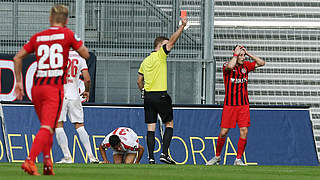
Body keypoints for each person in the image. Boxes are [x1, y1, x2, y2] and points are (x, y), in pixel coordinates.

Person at [13, 5, 90, 175]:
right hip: (53, 88)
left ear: (50, 19)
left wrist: (19, 82)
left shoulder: (38, 37)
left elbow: (17, 58)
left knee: (48, 126)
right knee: (48, 127)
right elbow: (85, 54)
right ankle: (30, 160)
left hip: (36, 87)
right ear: (67, 20)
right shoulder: (67, 34)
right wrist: (74, 43)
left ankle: (47, 162)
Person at [136, 15, 187, 164]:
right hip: (160, 96)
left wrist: (143, 91)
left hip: (148, 97)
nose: (168, 47)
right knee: (169, 124)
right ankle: (164, 154)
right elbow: (172, 41)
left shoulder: (145, 61)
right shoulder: (160, 55)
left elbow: (139, 80)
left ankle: (151, 158)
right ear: (159, 46)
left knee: (150, 128)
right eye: (165, 45)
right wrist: (182, 26)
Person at [206, 45, 265, 166]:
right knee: (223, 132)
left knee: (244, 131)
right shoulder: (227, 65)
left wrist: (248, 53)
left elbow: (262, 63)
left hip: (243, 105)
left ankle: (238, 159)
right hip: (230, 105)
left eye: (243, 56)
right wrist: (235, 54)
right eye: (241, 55)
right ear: (235, 55)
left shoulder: (246, 66)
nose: (242, 58)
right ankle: (217, 157)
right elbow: (230, 66)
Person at [55, 50, 99, 164]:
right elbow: (87, 79)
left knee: (58, 125)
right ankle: (91, 157)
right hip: (74, 94)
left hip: (60, 95)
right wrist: (87, 91)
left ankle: (67, 157)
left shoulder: (58, 56)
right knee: (80, 126)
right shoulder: (80, 58)